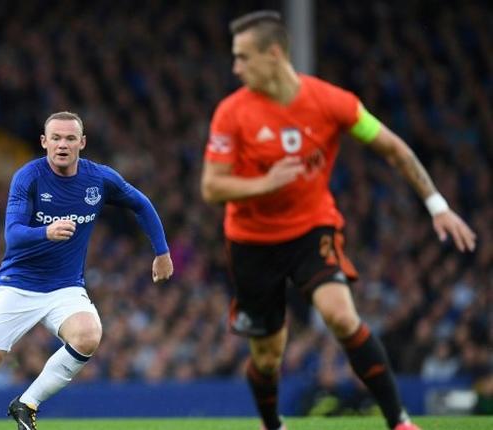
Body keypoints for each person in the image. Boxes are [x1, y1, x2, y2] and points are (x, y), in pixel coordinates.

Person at [200, 11, 476, 430]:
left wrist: (437, 205)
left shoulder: (332, 102)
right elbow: (211, 187)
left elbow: (394, 148)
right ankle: (272, 424)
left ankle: (399, 421)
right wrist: (266, 184)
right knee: (268, 356)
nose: (235, 68)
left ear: (274, 54)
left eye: (243, 57)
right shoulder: (231, 113)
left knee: (342, 317)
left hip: (312, 229)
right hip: (251, 242)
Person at [0, 111, 174, 430]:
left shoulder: (99, 179)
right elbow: (13, 235)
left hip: (65, 287)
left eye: (70, 138)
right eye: (57, 138)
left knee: (88, 335)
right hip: (18, 285)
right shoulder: (28, 177)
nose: (63, 144)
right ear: (44, 142)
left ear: (82, 143)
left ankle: (26, 404)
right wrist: (45, 232)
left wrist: (162, 252)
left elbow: (141, 204)